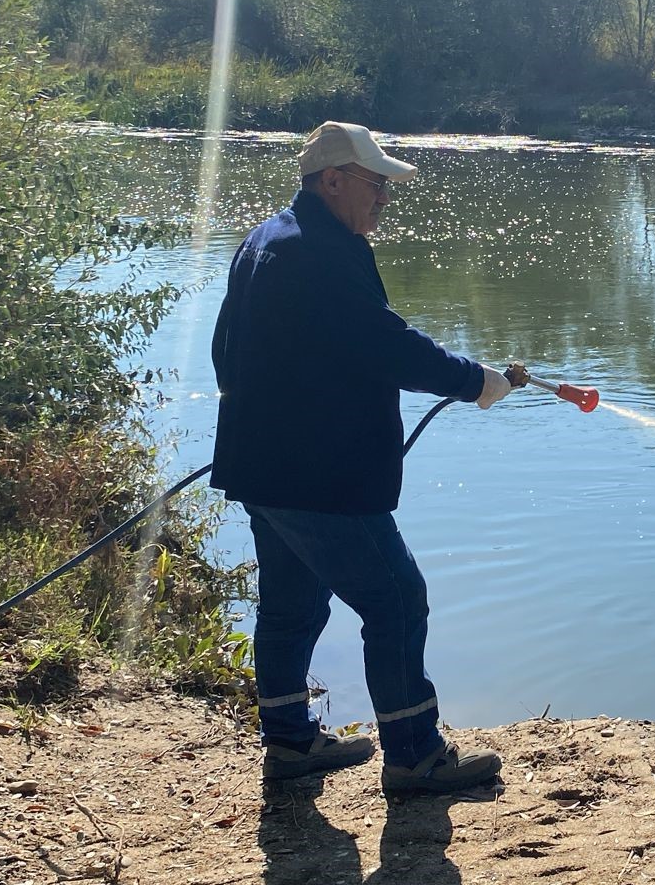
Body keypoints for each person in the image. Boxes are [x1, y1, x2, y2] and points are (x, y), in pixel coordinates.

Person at [210, 120, 520, 794]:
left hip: (264, 468)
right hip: (318, 476)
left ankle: (290, 744)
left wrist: (259, 429)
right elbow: (387, 344)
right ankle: (414, 754)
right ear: (331, 182)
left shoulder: (268, 239)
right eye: (374, 184)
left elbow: (223, 350)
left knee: (291, 607)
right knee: (397, 599)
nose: (384, 198)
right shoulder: (318, 252)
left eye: (386, 186)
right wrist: (474, 380)